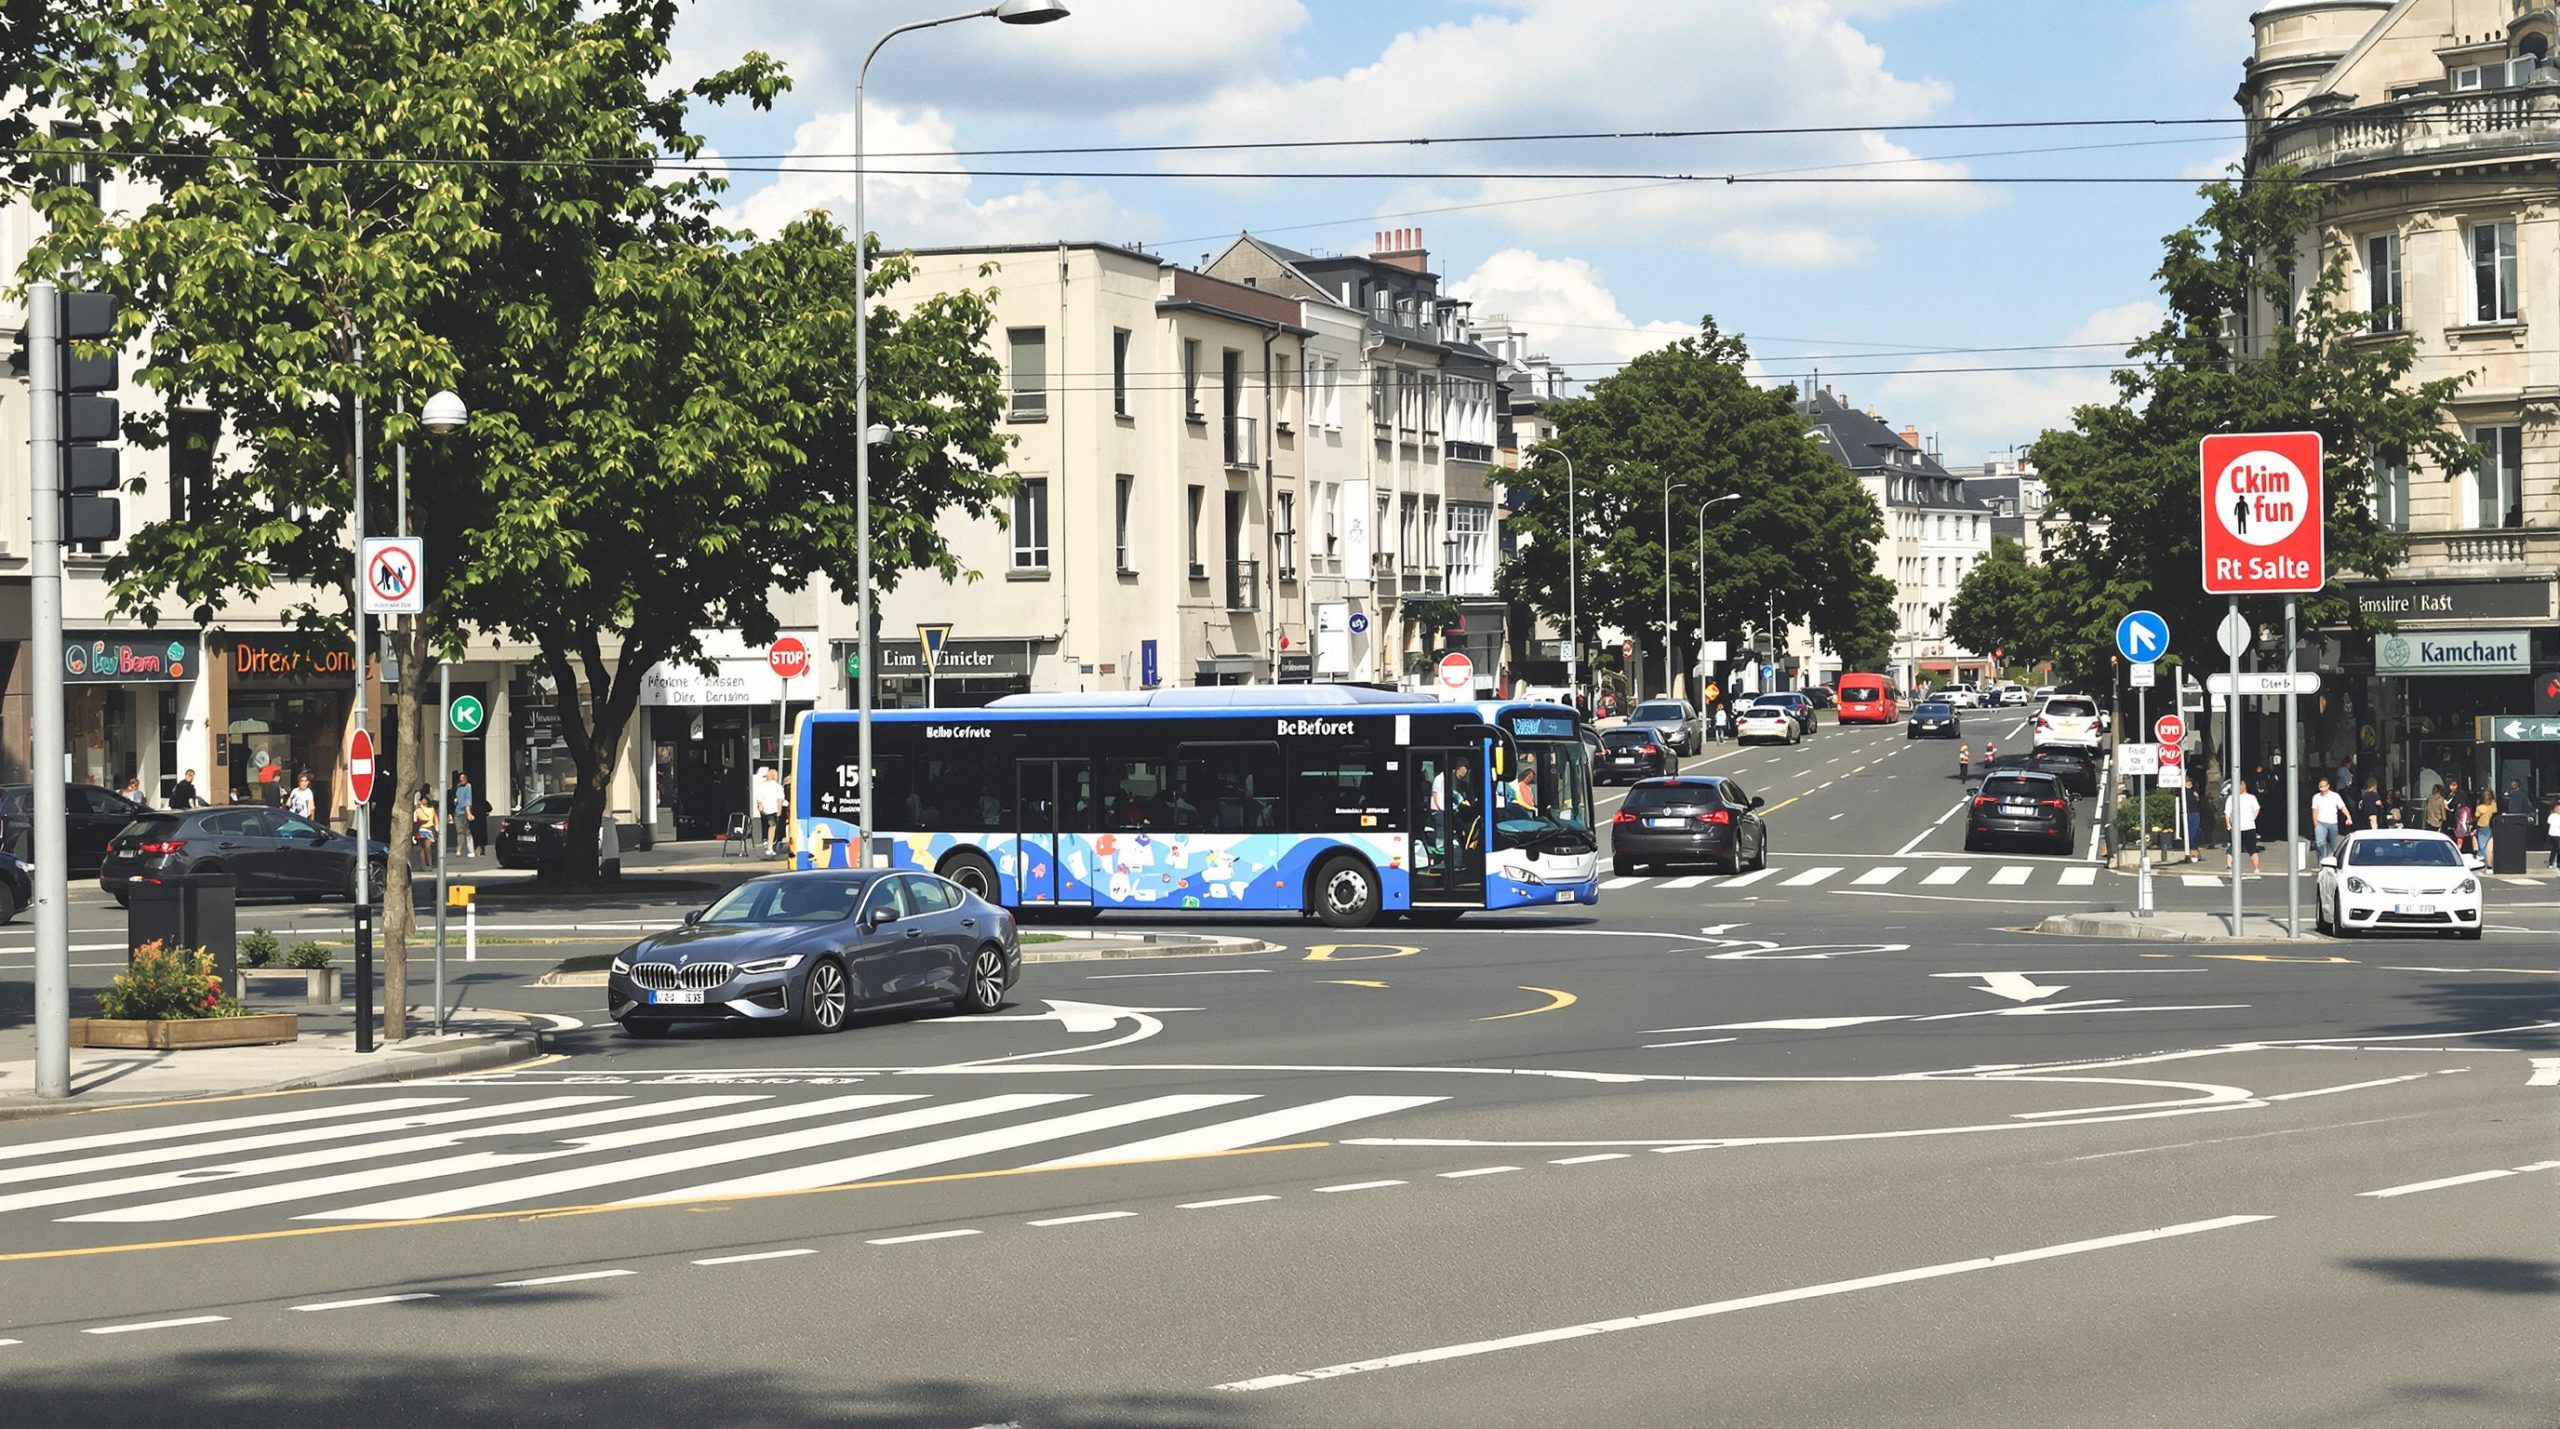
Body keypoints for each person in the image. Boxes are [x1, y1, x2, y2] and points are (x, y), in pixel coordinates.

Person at [2227, 778, 2262, 876]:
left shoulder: (2251, 797)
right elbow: (2227, 812)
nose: (2239, 788)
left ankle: (2256, 868)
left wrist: (2252, 818)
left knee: (2252, 849)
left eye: (2241, 785)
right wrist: (2228, 824)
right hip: (2236, 828)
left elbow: (2257, 808)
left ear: (2244, 786)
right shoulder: (2231, 798)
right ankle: (2229, 867)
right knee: (2232, 848)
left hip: (2249, 827)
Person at [2309, 777, 2347, 863]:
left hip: (2333, 823)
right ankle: (2322, 861)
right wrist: (2316, 824)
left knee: (2334, 845)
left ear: (2328, 786)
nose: (2321, 788)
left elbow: (2342, 807)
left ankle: (2334, 861)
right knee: (2320, 844)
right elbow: (2314, 811)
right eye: (2320, 786)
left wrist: (2348, 817)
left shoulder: (2335, 796)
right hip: (2321, 823)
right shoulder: (2316, 797)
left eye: (2323, 786)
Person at [753, 767, 786, 856]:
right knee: (772, 827)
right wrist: (779, 811)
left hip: (764, 811)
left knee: (765, 825)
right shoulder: (778, 787)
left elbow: (759, 799)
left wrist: (760, 806)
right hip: (773, 810)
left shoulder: (762, 786)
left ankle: (765, 840)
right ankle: (770, 847)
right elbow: (780, 800)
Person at [450, 771, 478, 858]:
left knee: (466, 831)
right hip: (458, 811)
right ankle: (460, 848)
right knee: (460, 831)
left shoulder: (468, 787)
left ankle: (469, 849)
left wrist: (469, 813)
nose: (461, 780)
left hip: (464, 812)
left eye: (463, 779)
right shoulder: (458, 787)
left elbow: (468, 801)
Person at [411, 788, 438, 868]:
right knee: (424, 848)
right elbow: (421, 818)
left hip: (428, 829)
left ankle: (428, 864)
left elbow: (435, 819)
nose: (424, 801)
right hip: (422, 829)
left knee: (427, 847)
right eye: (423, 799)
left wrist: (437, 828)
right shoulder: (419, 809)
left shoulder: (430, 809)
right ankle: (425, 865)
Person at [2474, 784, 2500, 866]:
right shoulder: (2494, 804)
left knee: (2482, 844)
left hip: (2482, 826)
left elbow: (2476, 817)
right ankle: (2489, 858)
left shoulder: (2480, 807)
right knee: (2489, 843)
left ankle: (2482, 857)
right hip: (2491, 826)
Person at [2545, 797, 2560, 871]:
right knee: (2557, 849)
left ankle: (2555, 863)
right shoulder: (2552, 816)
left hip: (2558, 834)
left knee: (2556, 849)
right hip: (2553, 834)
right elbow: (2550, 822)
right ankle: (2553, 863)